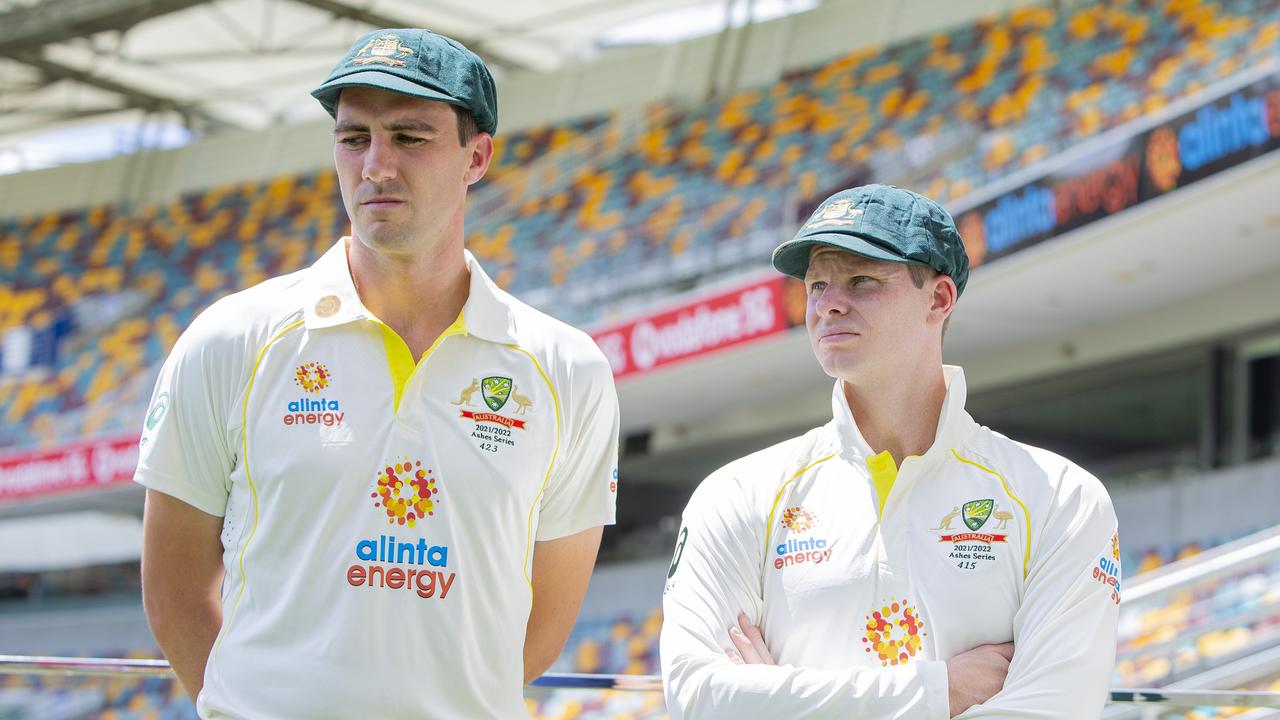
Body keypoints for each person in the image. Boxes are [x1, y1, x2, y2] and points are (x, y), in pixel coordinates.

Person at [136, 28, 620, 719]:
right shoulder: (231, 339)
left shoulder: (566, 369)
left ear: (475, 156)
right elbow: (174, 594)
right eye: (354, 137)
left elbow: (541, 624)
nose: (375, 166)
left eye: (410, 138)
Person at [660, 185, 1120, 719]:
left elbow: (1051, 711)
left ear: (939, 299)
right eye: (816, 285)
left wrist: (776, 698)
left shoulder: (1062, 498)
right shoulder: (736, 494)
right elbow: (696, 699)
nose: (828, 303)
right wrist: (937, 692)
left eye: (861, 280)